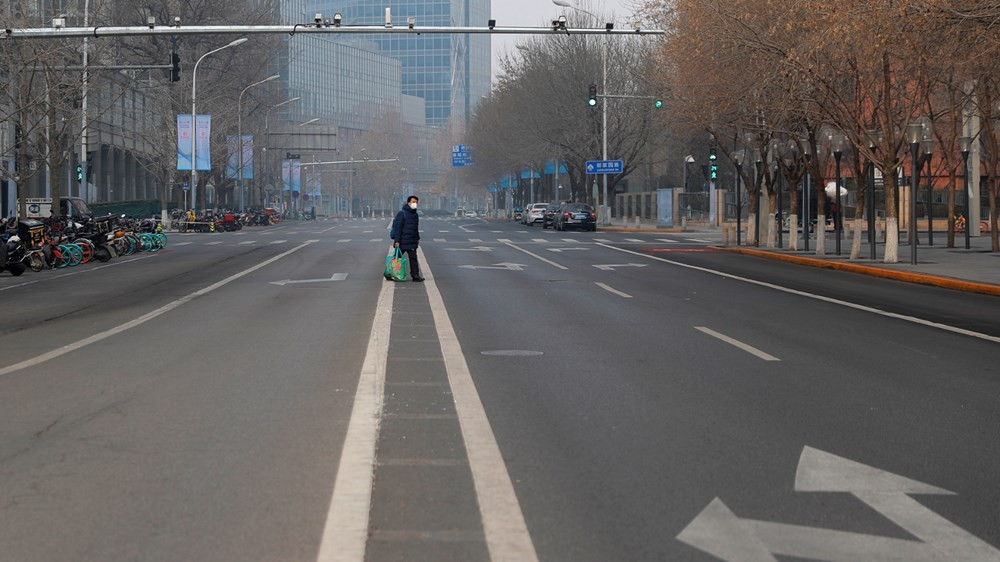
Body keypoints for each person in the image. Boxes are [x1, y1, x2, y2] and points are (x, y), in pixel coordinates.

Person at [392, 195, 424, 282]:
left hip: (412, 241)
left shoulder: (415, 214)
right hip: (402, 241)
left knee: (413, 259)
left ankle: (415, 275)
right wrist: (397, 241)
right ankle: (392, 273)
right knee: (397, 258)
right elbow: (398, 228)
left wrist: (417, 239)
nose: (415, 204)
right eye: (413, 202)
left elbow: (415, 228)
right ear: (408, 202)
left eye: (416, 202)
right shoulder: (402, 213)